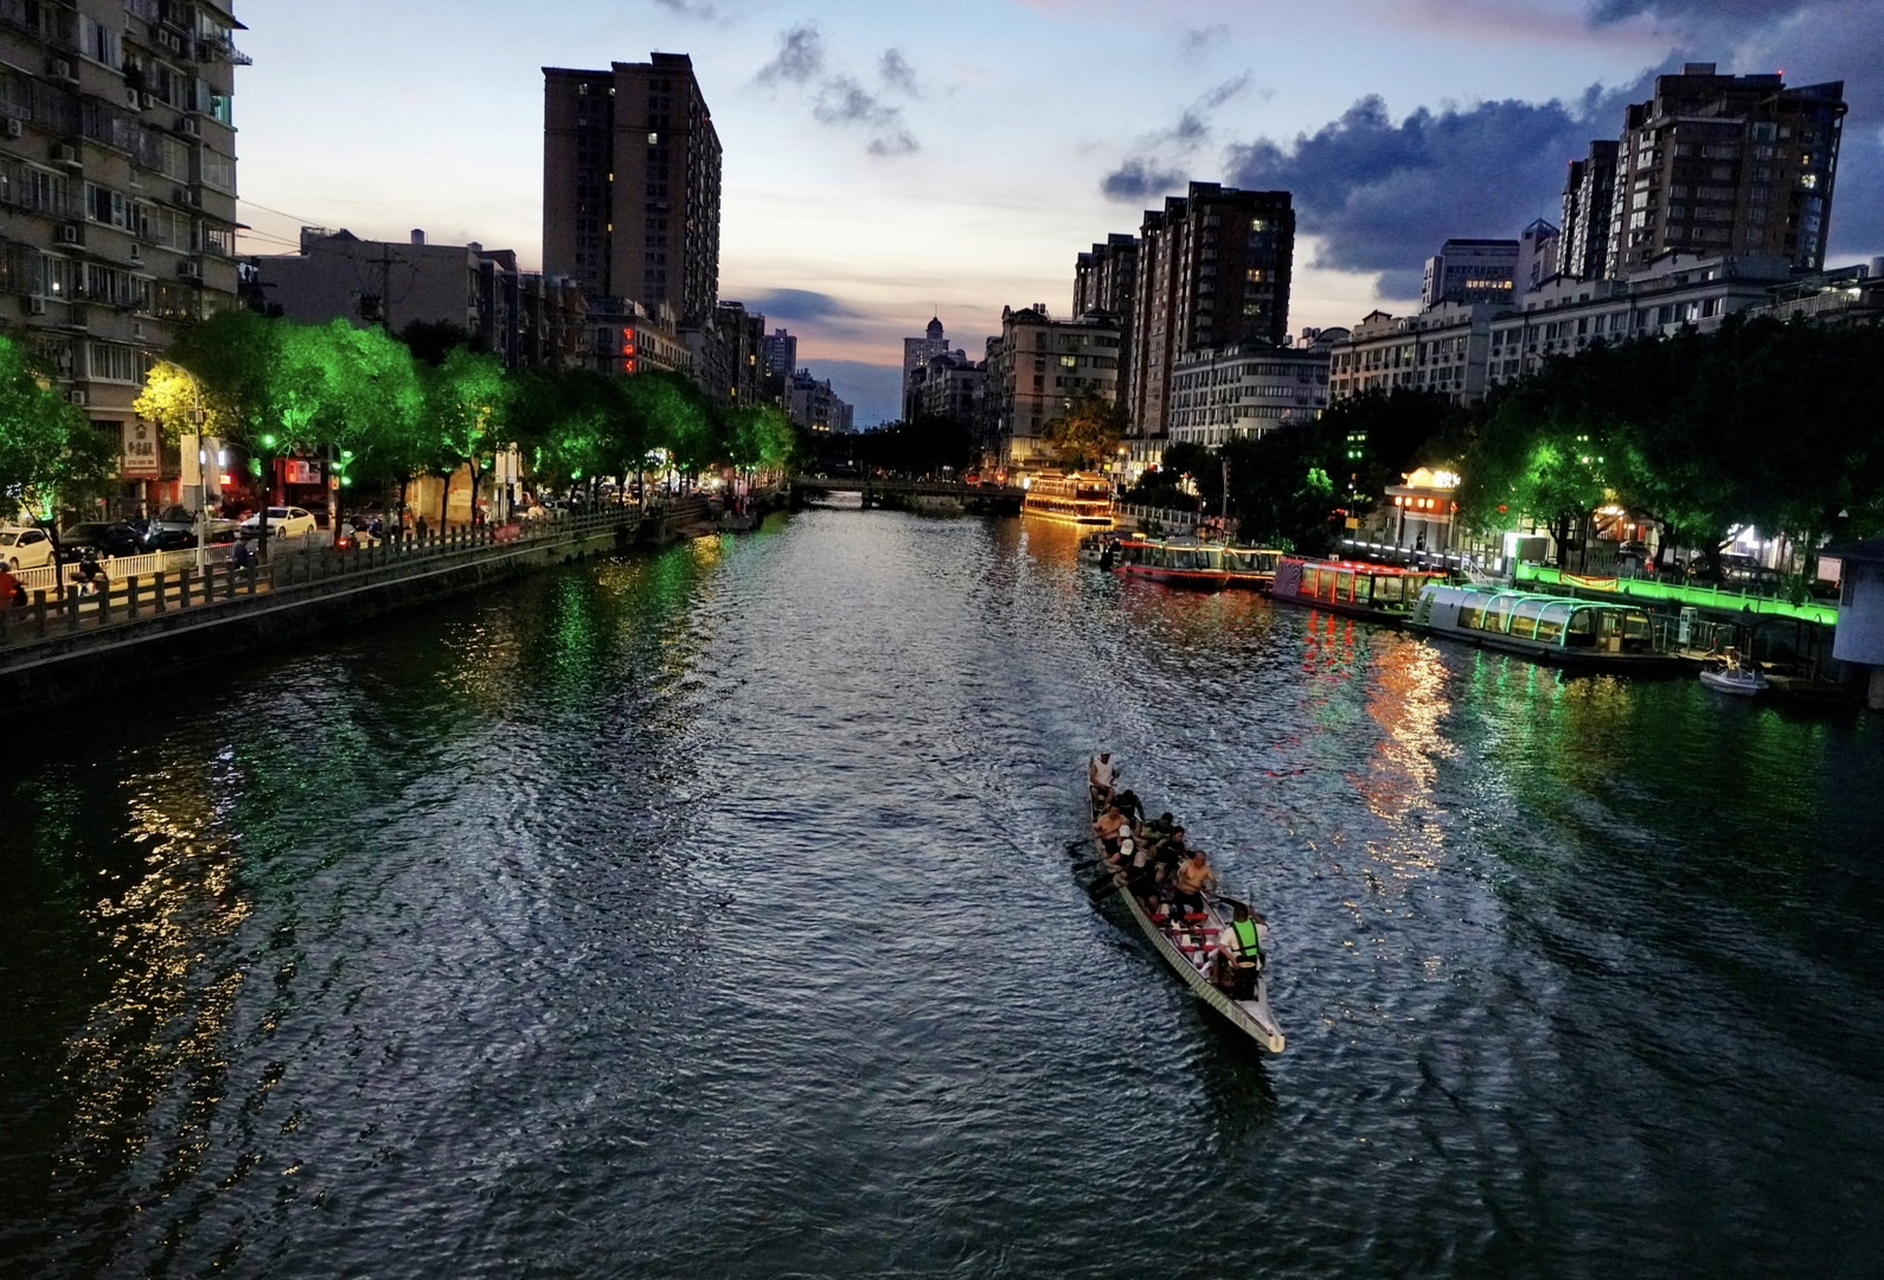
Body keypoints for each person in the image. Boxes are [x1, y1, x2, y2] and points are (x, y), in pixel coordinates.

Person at [1211, 903, 1266, 997]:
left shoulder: (1230, 931)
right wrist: (1254, 914)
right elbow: (1265, 926)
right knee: (1261, 953)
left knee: (1219, 954)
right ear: (1248, 915)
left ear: (1235, 916)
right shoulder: (1257, 928)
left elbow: (1221, 947)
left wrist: (1233, 961)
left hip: (1237, 963)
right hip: (1254, 963)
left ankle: (1217, 979)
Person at [1172, 847, 1215, 917]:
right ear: (1194, 859)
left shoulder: (1206, 869)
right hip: (1182, 893)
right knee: (1178, 907)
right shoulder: (1187, 864)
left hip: (1194, 894)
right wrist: (1184, 881)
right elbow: (1181, 874)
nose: (1201, 863)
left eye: (1203, 861)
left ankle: (1193, 922)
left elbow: (1213, 880)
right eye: (1199, 860)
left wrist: (1212, 889)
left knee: (1199, 907)